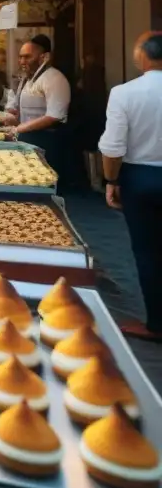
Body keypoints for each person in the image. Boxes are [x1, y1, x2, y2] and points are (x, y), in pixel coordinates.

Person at [98, 32, 162, 340]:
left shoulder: (125, 93)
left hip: (141, 178)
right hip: (143, 176)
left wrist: (111, 180)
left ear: (142, 57)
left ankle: (156, 322)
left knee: (148, 250)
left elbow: (113, 147)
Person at [4, 35, 71, 175]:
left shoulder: (54, 78)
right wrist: (13, 117)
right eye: (20, 57)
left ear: (44, 57)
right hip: (28, 137)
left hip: (48, 139)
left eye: (27, 57)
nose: (22, 61)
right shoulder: (27, 79)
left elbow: (54, 116)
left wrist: (21, 128)